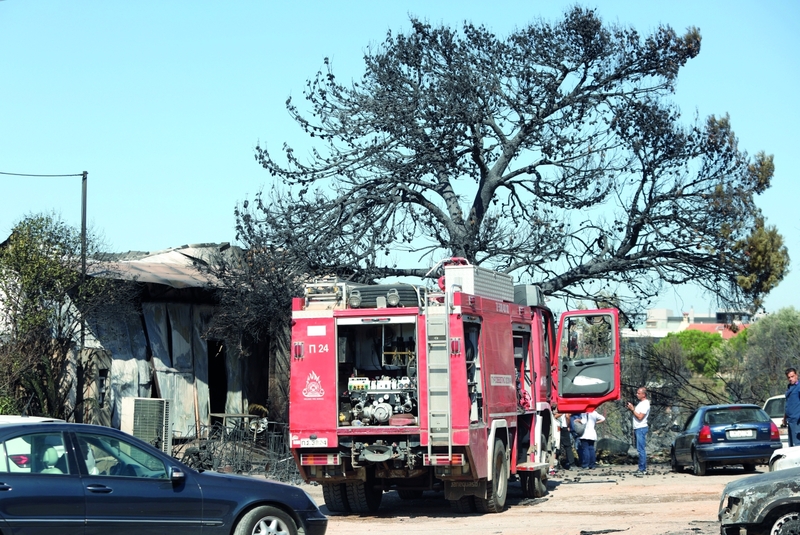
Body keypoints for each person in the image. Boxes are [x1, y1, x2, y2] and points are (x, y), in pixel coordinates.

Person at [626, 387, 651, 475]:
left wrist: (632, 409)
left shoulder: (645, 404)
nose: (637, 394)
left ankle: (643, 469)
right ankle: (641, 467)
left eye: (638, 393)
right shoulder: (641, 403)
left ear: (643, 394)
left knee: (641, 449)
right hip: (638, 428)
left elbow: (640, 417)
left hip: (641, 428)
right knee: (639, 449)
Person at [784, 368, 800, 447]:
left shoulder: (799, 387)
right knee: (791, 445)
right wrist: (784, 418)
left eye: (792, 376)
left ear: (796, 375)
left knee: (797, 445)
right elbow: (788, 404)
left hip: (797, 420)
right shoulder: (789, 387)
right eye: (789, 377)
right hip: (790, 420)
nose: (791, 379)